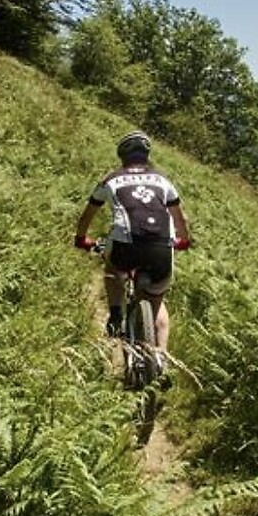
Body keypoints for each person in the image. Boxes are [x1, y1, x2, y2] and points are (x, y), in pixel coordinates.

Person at [74, 131, 191, 365]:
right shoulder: (163, 179)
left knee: (112, 268)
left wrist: (81, 239)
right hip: (161, 247)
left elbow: (88, 214)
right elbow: (180, 219)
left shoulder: (111, 179)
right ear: (147, 155)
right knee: (158, 303)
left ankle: (116, 312)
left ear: (122, 156)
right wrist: (183, 240)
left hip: (125, 244)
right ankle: (161, 358)